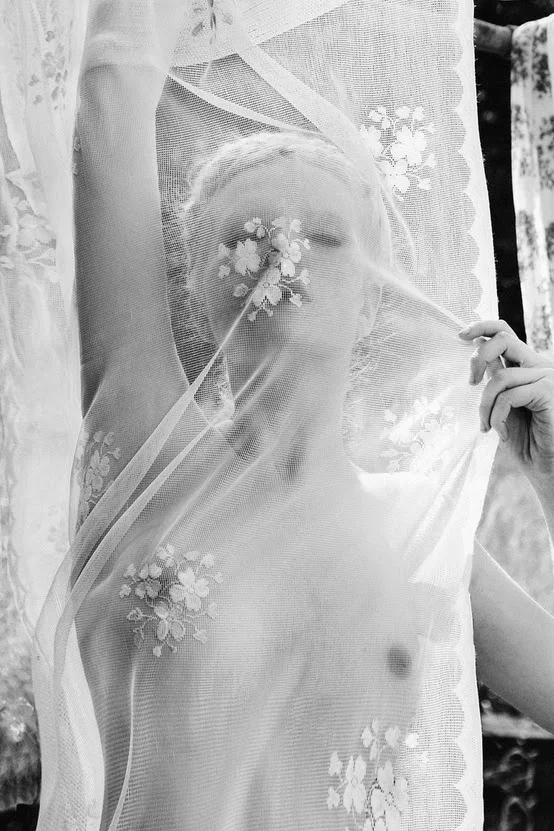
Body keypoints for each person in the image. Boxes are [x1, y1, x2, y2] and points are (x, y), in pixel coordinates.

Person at [29, 2, 554, 830]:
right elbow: (113, 93)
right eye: (251, 234)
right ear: (197, 287)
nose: (287, 252)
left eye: (327, 236)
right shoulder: (146, 453)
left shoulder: (415, 527)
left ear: (374, 296)